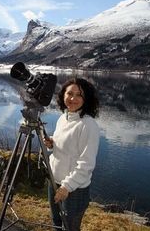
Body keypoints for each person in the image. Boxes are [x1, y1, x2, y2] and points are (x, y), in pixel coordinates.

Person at [43, 77, 100, 231]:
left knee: (70, 227)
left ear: (86, 99)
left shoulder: (88, 125)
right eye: (69, 93)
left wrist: (66, 187)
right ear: (63, 95)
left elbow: (86, 165)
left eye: (79, 95)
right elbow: (68, 146)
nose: (73, 98)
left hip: (74, 189)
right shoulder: (63, 118)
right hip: (55, 181)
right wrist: (53, 143)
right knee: (56, 222)